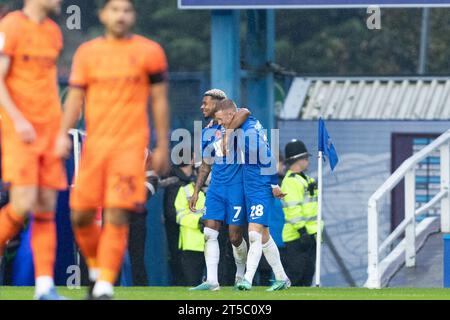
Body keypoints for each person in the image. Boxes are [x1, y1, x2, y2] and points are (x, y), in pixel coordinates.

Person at [55, 0, 170, 299]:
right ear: (103, 14)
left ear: (133, 16)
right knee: (80, 215)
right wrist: (60, 135)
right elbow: (74, 100)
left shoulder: (149, 52)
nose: (121, 15)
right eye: (115, 9)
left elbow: (158, 100)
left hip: (130, 147)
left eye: (127, 10)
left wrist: (162, 144)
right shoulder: (87, 53)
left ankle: (104, 283)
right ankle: (96, 269)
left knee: (117, 214)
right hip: (95, 147)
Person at [0, 0, 67, 300]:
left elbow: (50, 84)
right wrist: (17, 120)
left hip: (48, 132)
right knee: (23, 202)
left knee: (44, 207)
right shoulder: (11, 26)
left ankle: (44, 288)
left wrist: (60, 130)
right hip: (20, 132)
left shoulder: (53, 32)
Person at [213, 99, 291, 291]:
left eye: (221, 120)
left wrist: (273, 184)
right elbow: (244, 110)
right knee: (264, 237)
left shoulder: (249, 136)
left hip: (259, 186)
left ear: (231, 116)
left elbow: (268, 158)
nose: (220, 124)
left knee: (254, 234)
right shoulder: (245, 121)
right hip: (249, 184)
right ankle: (282, 278)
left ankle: (246, 279)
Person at [189, 89, 250, 291]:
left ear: (218, 104)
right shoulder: (207, 131)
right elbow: (206, 163)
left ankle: (241, 275)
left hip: (236, 187)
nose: (202, 107)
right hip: (216, 188)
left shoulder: (238, 119)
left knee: (235, 237)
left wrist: (228, 131)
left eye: (206, 103)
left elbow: (245, 111)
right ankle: (212, 281)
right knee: (209, 232)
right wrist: (198, 190)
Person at [280, 139, 322, 286]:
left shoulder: (306, 179)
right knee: (296, 276)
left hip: (310, 236)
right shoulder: (290, 181)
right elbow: (293, 209)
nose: (307, 160)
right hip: (297, 237)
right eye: (305, 157)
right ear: (297, 160)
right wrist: (302, 230)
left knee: (307, 275)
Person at [174, 157, 206, 286]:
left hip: (214, 244)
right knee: (192, 285)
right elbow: (180, 216)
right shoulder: (185, 190)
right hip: (192, 246)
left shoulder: (217, 192)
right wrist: (200, 221)